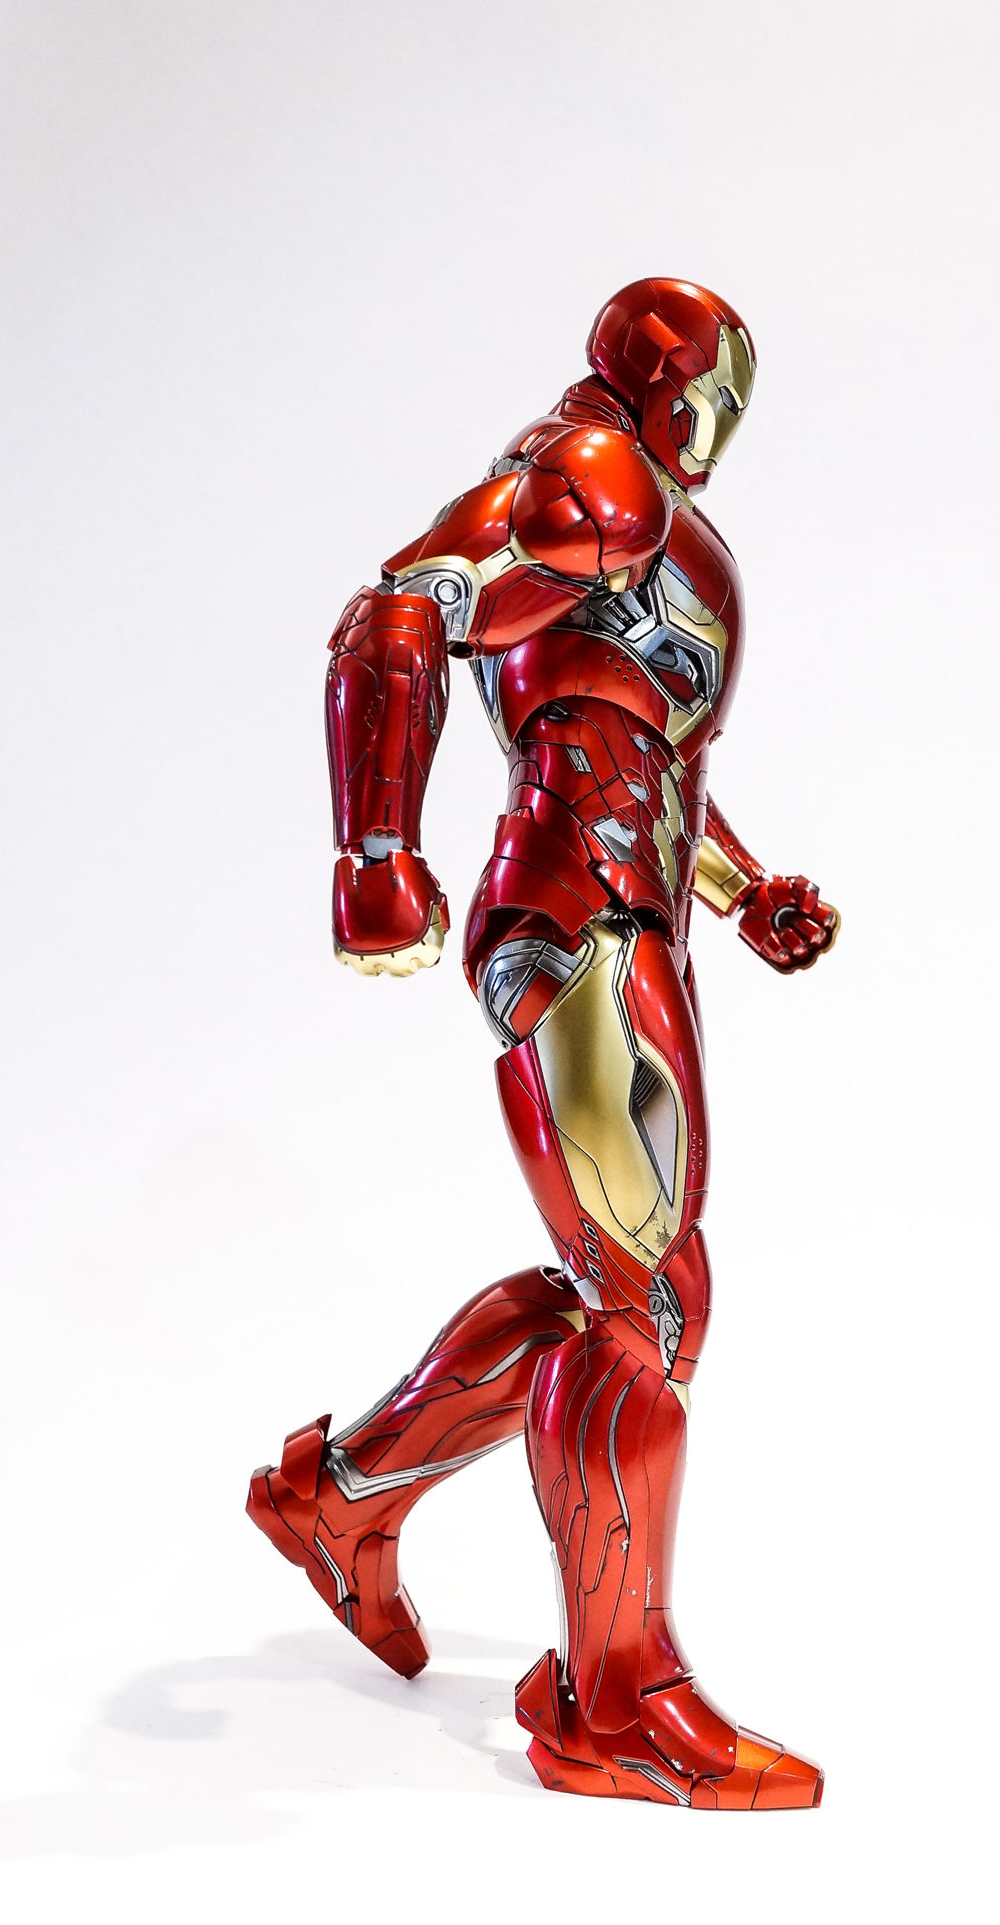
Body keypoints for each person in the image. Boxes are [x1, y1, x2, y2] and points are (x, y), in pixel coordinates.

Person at [248, 278, 838, 1810]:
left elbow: (632, 742)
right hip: (576, 916)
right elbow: (398, 609)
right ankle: (611, 1695)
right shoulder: (593, 476)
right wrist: (374, 848)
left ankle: (339, 1493)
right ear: (657, 378)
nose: (723, 423)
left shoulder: (644, 517)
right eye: (709, 390)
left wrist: (743, 888)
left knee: (616, 1292)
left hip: (634, 911)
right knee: (648, 1294)